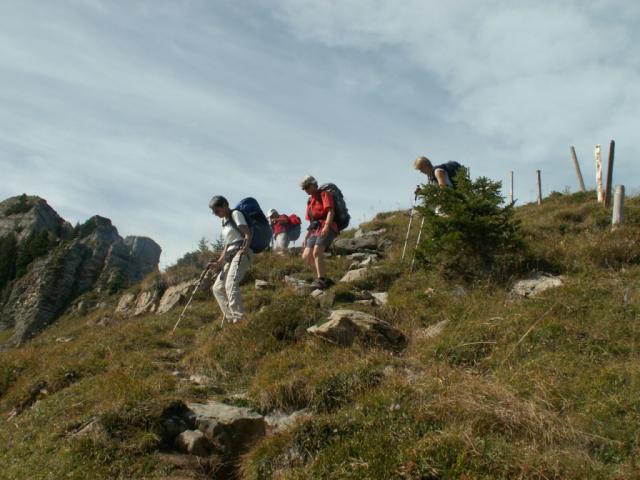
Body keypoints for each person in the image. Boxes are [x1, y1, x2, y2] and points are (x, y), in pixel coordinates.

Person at [207, 195, 253, 324]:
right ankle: (231, 319)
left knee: (230, 284)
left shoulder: (235, 214)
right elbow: (227, 245)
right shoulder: (224, 222)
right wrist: (219, 262)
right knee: (217, 288)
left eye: (217, 211)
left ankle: (240, 319)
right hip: (230, 254)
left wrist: (245, 249)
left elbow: (248, 233)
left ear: (225, 205)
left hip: (241, 252)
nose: (216, 214)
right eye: (214, 212)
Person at [300, 175, 337, 290]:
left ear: (313, 184)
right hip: (315, 229)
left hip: (328, 226)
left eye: (307, 186)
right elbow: (312, 221)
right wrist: (306, 236)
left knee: (317, 252)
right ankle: (323, 278)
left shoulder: (324, 194)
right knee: (306, 256)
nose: (305, 190)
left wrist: (327, 226)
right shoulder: (310, 201)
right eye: (304, 188)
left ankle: (321, 280)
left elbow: (330, 211)